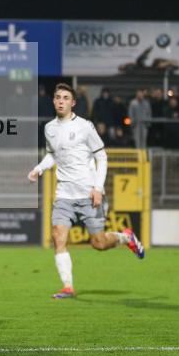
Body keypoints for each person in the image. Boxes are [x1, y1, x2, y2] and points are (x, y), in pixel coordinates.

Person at [27, 84, 144, 300]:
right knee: (58, 236)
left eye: (65, 98)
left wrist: (98, 188)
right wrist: (39, 168)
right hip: (64, 194)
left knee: (98, 243)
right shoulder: (49, 128)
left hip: (89, 194)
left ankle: (124, 237)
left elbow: (102, 157)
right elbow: (53, 154)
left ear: (73, 103)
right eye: (57, 97)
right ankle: (68, 287)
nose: (61, 101)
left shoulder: (85, 126)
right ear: (54, 101)